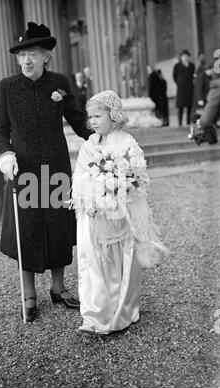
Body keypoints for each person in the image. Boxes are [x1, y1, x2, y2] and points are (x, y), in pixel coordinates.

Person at [0, 22, 93, 322]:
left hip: (56, 168)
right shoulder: (7, 87)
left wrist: (106, 137)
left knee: (58, 227)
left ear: (46, 56)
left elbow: (79, 122)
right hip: (22, 171)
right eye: (22, 54)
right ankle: (28, 294)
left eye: (32, 53)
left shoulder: (59, 83)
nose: (26, 60)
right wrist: (5, 153)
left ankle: (59, 288)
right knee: (28, 230)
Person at [70, 90, 170, 335]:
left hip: (119, 211)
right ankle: (95, 316)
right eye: (90, 117)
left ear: (113, 116)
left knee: (120, 263)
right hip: (93, 213)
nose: (92, 121)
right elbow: (79, 177)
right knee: (92, 263)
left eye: (98, 116)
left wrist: (118, 186)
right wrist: (95, 191)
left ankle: (123, 311)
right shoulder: (88, 146)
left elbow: (138, 178)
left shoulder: (127, 143)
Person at [173, 50, 195, 126]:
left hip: (189, 88)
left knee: (189, 106)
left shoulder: (192, 65)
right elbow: (175, 76)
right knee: (180, 107)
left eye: (186, 56)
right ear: (181, 57)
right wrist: (179, 82)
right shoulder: (177, 66)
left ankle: (188, 122)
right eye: (183, 56)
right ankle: (180, 122)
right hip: (181, 88)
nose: (185, 58)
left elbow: (193, 75)